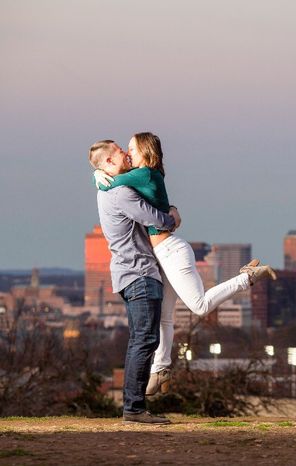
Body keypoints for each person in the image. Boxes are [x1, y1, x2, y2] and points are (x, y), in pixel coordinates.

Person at [92, 132, 277, 396]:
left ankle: (246, 277)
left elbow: (111, 183)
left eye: (131, 148)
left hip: (171, 251)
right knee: (164, 319)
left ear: (144, 152)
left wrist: (97, 176)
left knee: (199, 306)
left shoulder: (142, 174)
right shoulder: (144, 175)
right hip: (160, 258)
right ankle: (162, 370)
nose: (128, 153)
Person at [88, 140, 176, 424]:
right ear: (110, 164)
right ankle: (134, 408)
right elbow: (159, 220)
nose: (126, 155)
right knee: (145, 340)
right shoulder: (122, 193)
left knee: (140, 340)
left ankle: (133, 407)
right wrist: (173, 215)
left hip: (128, 275)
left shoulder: (108, 190)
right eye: (120, 152)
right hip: (140, 274)